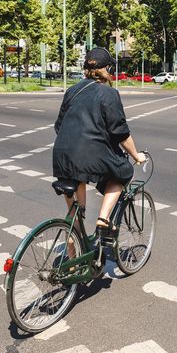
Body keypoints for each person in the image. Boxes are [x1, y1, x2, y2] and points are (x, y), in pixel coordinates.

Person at [53, 47, 146, 235]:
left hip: (62, 157)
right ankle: (103, 219)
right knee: (123, 172)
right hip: (89, 156)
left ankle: (73, 262)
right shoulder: (109, 94)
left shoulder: (72, 91)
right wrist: (136, 156)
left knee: (75, 216)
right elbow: (120, 133)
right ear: (108, 70)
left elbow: (58, 126)